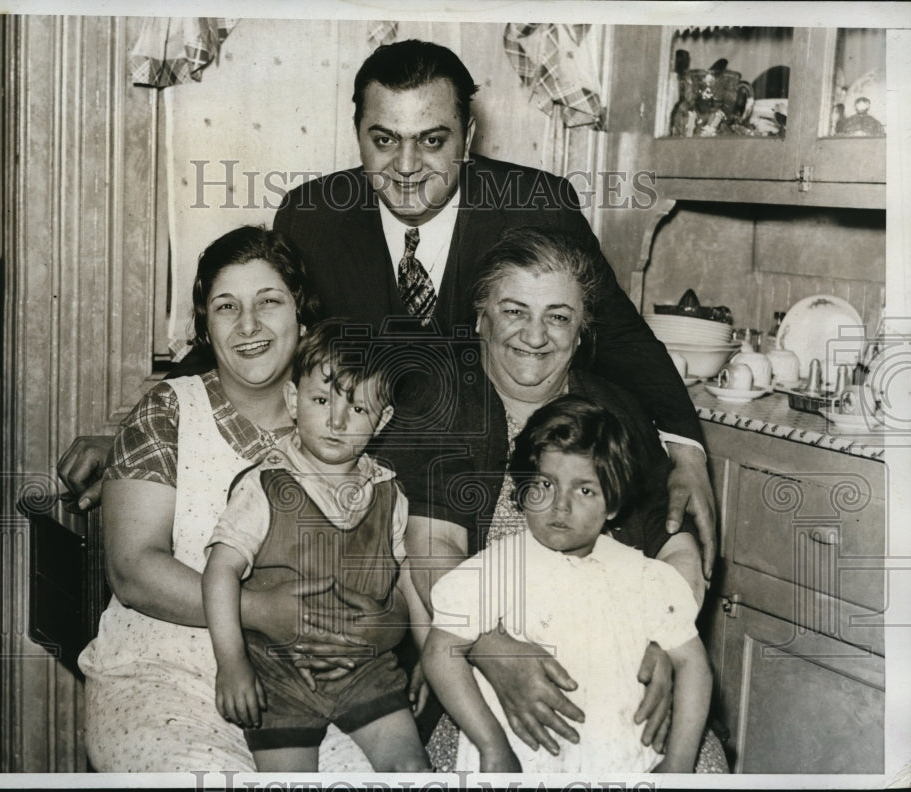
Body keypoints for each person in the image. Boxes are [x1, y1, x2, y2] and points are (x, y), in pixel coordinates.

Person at [59, 41, 716, 585]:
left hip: (481, 505)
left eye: (431, 140)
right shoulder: (314, 216)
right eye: (383, 140)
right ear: (358, 135)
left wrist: (687, 451)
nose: (405, 167)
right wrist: (142, 436)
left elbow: (620, 336)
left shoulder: (532, 203)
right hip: (359, 503)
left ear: (467, 137)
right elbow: (255, 335)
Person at [378, 226, 720, 765]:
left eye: (558, 317)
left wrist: (661, 643)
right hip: (478, 670)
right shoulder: (439, 403)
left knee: (701, 764)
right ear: (481, 318)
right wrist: (495, 653)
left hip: (619, 666)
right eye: (514, 312)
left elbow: (674, 542)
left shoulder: (614, 412)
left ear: (581, 332)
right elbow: (431, 553)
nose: (535, 336)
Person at [76, 227, 403, 772]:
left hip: (319, 689)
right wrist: (263, 611)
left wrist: (375, 629)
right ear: (205, 326)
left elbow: (390, 577)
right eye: (226, 307)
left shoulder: (345, 427)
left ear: (303, 317)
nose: (248, 325)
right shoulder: (168, 412)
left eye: (268, 301)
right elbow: (131, 570)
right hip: (166, 680)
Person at [422, 395, 712, 773]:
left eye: (584, 490)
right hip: (523, 759)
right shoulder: (498, 569)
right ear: (523, 491)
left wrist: (678, 765)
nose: (561, 505)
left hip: (617, 763)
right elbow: (440, 652)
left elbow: (693, 663)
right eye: (545, 484)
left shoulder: (640, 575)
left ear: (613, 503)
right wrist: (491, 745)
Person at [201, 319, 431, 772]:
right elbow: (219, 571)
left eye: (358, 408)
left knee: (411, 770)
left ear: (382, 420)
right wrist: (231, 662)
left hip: (366, 669)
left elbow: (408, 579)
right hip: (277, 673)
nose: (336, 422)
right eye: (321, 401)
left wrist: (428, 654)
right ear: (293, 401)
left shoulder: (389, 493)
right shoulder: (265, 485)